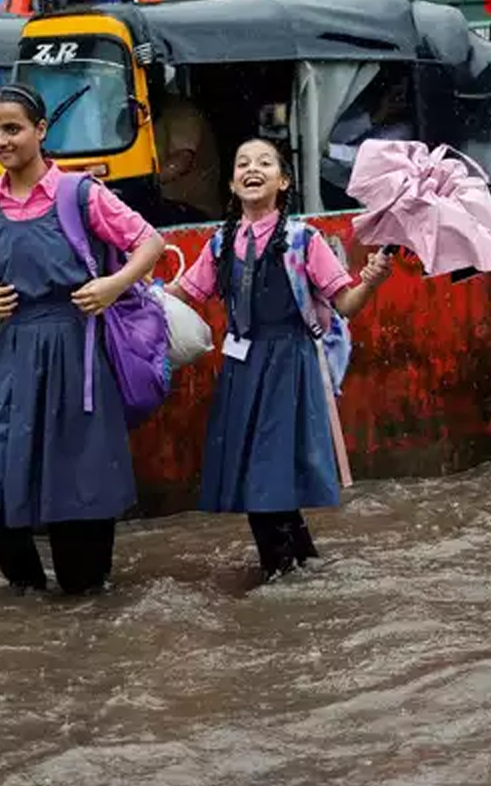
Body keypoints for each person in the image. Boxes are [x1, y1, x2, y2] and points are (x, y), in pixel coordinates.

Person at [0, 83, 165, 594]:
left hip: (76, 349)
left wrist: (111, 286)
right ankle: (29, 595)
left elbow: (149, 242)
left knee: (78, 486)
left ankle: (82, 602)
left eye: (13, 128)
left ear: (40, 131)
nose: (1, 140)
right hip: (10, 353)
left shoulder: (80, 193)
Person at [166, 138, 392, 581]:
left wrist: (371, 281)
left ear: (283, 181)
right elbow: (183, 296)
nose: (253, 169)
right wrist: (126, 291)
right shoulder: (219, 243)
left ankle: (280, 581)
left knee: (265, 483)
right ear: (232, 183)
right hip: (241, 371)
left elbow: (344, 303)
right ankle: (305, 567)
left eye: (265, 163)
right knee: (263, 479)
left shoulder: (303, 240)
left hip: (289, 367)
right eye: (243, 163)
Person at [150, 69, 221, 221]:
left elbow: (182, 161)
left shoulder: (180, 112)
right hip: (164, 205)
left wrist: (142, 185)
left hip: (192, 210)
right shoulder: (143, 115)